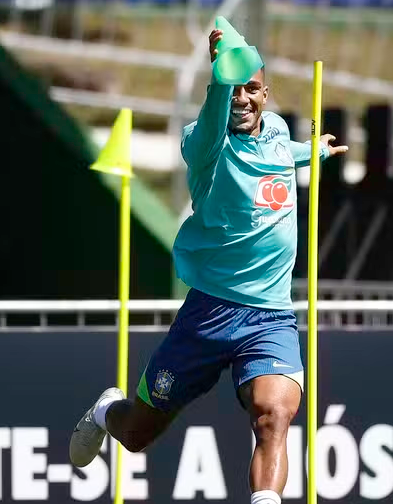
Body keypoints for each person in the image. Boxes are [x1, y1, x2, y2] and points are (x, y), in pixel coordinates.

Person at [69, 28, 348, 504]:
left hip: (270, 315)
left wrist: (315, 152)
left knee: (274, 416)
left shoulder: (277, 131)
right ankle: (106, 411)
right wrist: (223, 75)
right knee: (136, 433)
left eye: (251, 89)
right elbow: (218, 111)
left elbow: (282, 156)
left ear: (266, 94)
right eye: (233, 89)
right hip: (209, 314)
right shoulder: (204, 145)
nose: (243, 98)